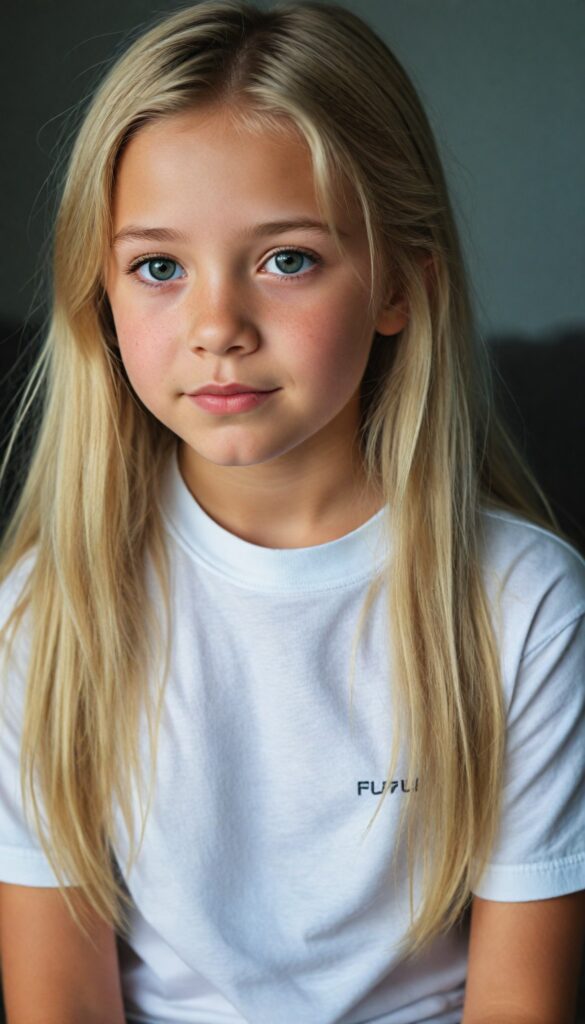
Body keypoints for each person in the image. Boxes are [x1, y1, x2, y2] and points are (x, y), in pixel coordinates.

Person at [0, 2, 584, 1022]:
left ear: (401, 284)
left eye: (287, 259)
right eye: (159, 267)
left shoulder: (523, 606)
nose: (218, 326)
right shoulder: (45, 615)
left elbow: (520, 1003)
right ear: (101, 294)